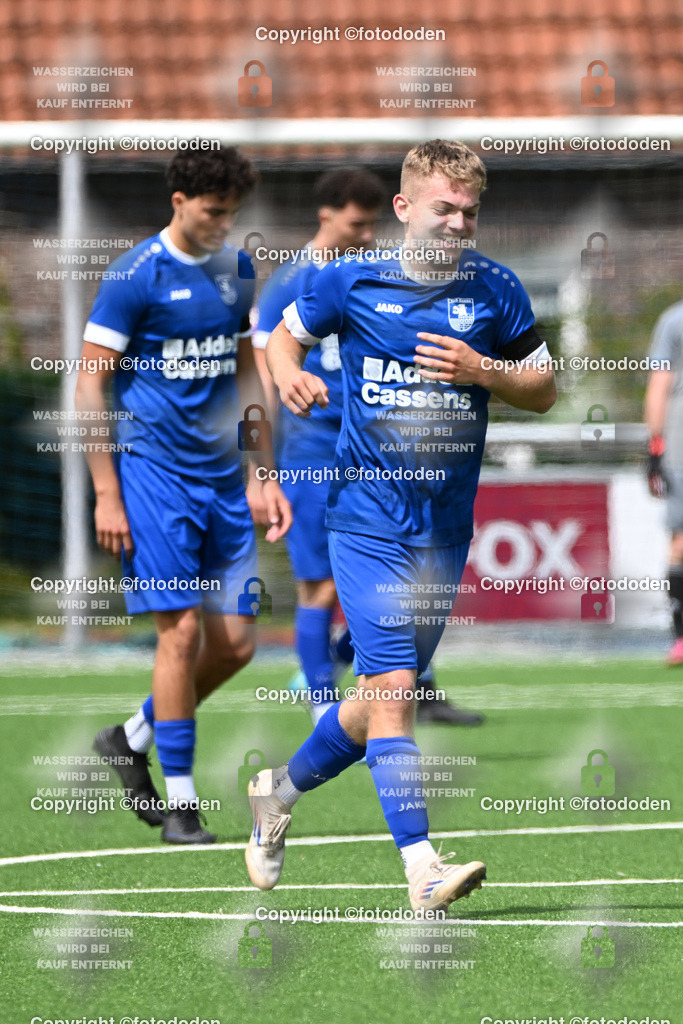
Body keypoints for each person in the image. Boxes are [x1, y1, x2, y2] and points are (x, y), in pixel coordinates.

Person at [245, 139, 556, 911]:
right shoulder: (350, 279)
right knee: (391, 688)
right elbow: (281, 337)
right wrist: (287, 373)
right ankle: (421, 868)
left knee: (381, 694)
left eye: (469, 212)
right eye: (443, 208)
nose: (456, 224)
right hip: (364, 518)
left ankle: (277, 795)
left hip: (444, 528)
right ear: (404, 208)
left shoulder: (496, 289)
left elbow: (544, 386)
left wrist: (484, 372)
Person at [75, 146, 290, 845]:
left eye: (232, 213)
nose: (225, 225)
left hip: (224, 477)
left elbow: (245, 376)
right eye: (212, 213)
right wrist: (106, 493)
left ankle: (131, 735)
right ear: (178, 203)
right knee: (183, 632)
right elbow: (88, 384)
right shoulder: (132, 276)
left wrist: (262, 471)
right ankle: (182, 805)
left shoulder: (236, 271)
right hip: (151, 476)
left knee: (236, 645)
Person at [253, 167, 483, 727]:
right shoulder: (291, 281)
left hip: (377, 456)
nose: (364, 234)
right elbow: (261, 376)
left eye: (371, 224)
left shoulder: (377, 275)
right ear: (325, 215)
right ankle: (321, 706)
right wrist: (262, 469)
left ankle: (404, 687)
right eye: (356, 223)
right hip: (311, 453)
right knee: (321, 586)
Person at [644, 301, 683, 664]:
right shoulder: (674, 321)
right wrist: (656, 447)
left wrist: (654, 448)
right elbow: (660, 383)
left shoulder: (672, 319)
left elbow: (659, 384)